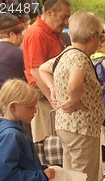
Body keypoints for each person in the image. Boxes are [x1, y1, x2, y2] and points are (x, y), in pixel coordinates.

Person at [39, 11, 105, 181]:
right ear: (93, 36)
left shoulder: (65, 53)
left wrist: (52, 88)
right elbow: (75, 83)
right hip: (82, 129)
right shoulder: (80, 58)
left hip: (66, 126)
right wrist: (74, 98)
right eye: (100, 35)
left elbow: (42, 69)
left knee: (72, 179)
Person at [22, 0, 71, 143]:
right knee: (51, 145)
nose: (66, 22)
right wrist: (53, 100)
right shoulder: (37, 33)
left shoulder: (52, 31)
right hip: (46, 99)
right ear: (50, 13)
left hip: (52, 95)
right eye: (63, 17)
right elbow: (36, 71)